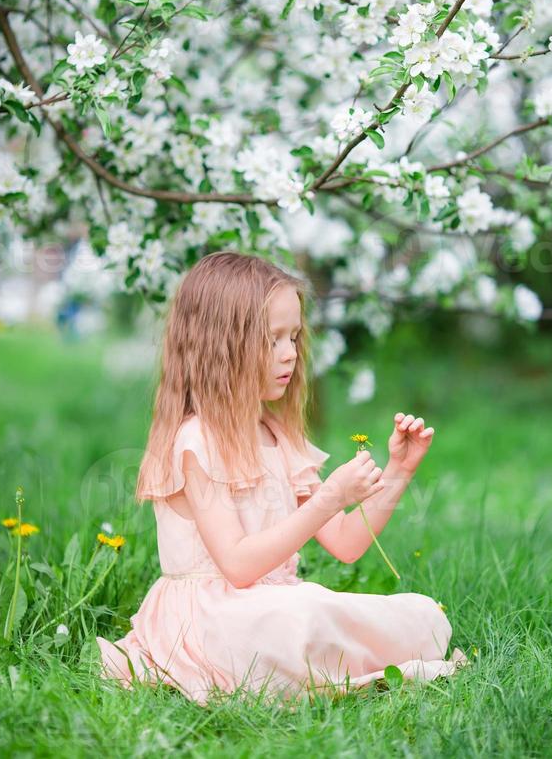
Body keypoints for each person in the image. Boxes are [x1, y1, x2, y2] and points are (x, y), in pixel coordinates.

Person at [96, 252, 468, 706]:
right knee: (302, 616)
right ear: (222, 345)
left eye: (293, 336)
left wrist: (399, 470)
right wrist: (328, 498)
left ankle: (320, 657)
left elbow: (348, 544)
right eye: (272, 339)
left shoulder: (278, 436)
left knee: (421, 613)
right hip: (212, 619)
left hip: (277, 606)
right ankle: (311, 661)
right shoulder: (197, 440)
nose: (290, 353)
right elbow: (237, 566)